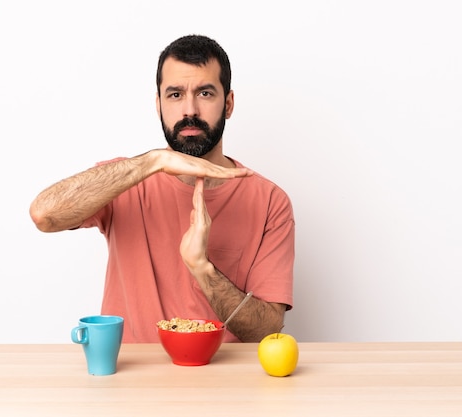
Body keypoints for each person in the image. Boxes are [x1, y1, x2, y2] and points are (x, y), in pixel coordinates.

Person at [29, 34, 295, 343]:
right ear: (158, 104)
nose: (190, 110)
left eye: (205, 93)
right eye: (175, 94)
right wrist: (152, 162)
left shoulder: (270, 202)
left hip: (224, 382)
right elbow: (43, 214)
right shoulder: (125, 180)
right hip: (131, 381)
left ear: (229, 104)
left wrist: (204, 270)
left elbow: (267, 330)